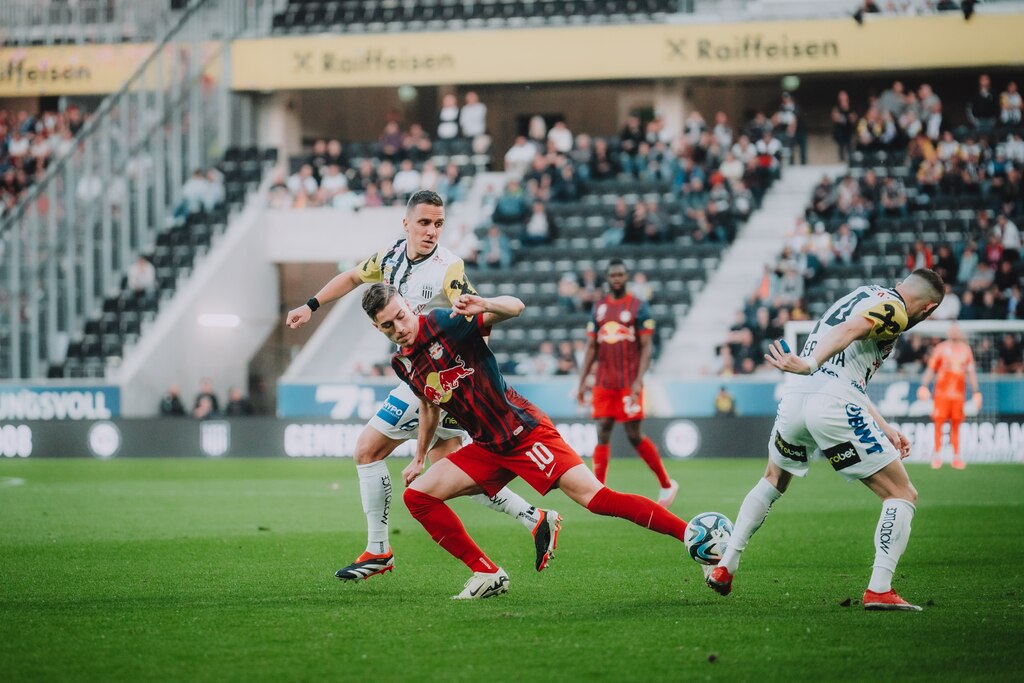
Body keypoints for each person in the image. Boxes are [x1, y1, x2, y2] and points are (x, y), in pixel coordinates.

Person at [285, 190, 555, 582]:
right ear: (407, 223)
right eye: (425, 223)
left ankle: (378, 550)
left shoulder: (449, 268)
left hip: (431, 383)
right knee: (448, 472)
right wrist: (310, 306)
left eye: (439, 224)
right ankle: (535, 517)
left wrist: (458, 376)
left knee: (366, 450)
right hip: (422, 380)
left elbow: (476, 317)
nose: (432, 231)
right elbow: (350, 276)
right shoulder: (391, 257)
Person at [360, 284, 692, 599]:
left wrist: (486, 304)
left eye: (401, 316)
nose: (399, 327)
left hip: (523, 432)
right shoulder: (402, 362)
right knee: (418, 497)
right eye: (388, 326)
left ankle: (690, 535)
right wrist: (419, 456)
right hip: (487, 447)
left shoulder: (445, 322)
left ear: (408, 306)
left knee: (598, 499)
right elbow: (429, 404)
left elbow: (516, 307)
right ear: (378, 329)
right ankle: (487, 573)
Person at [706, 269, 945, 611]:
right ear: (929, 308)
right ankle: (880, 589)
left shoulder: (865, 294)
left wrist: (884, 426)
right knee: (901, 493)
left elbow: (845, 368)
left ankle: (726, 566)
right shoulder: (897, 310)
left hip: (797, 398)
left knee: (773, 479)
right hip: (829, 400)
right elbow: (851, 332)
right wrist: (809, 362)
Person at [575, 260, 678, 507]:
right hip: (603, 383)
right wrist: (581, 382)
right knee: (602, 431)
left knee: (634, 435)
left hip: (627, 382)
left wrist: (638, 381)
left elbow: (646, 348)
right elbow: (591, 347)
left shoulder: (638, 307)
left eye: (621, 274)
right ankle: (598, 489)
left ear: (627, 277)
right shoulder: (599, 308)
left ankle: (666, 483)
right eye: (613, 275)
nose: (617, 278)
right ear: (608, 279)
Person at [917, 323, 980, 470]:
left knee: (957, 425)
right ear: (949, 332)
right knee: (938, 424)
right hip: (941, 395)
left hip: (958, 396)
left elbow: (971, 372)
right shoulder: (941, 348)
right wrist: (923, 386)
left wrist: (976, 392)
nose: (955, 332)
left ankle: (956, 457)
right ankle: (937, 455)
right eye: (952, 330)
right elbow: (931, 369)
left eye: (957, 330)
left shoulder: (966, 349)